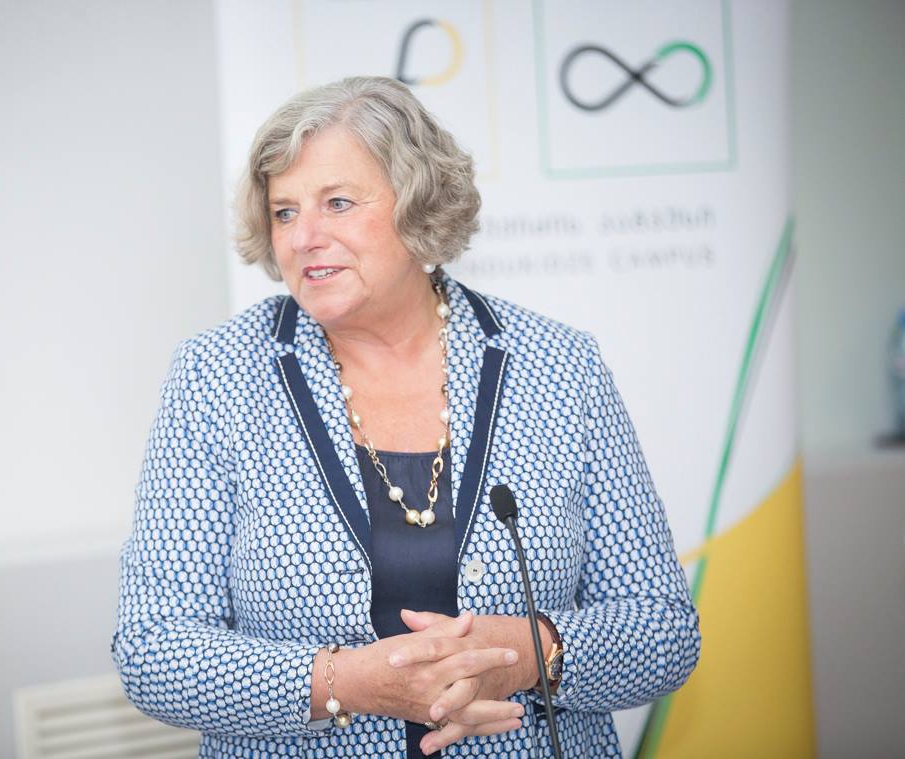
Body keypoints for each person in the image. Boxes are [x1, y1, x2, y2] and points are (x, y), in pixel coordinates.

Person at [111, 75, 700, 758]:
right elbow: (154, 649)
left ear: (420, 204)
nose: (303, 237)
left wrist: (531, 652)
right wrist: (345, 683)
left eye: (337, 202)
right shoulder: (217, 377)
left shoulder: (558, 366)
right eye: (284, 212)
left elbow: (664, 631)